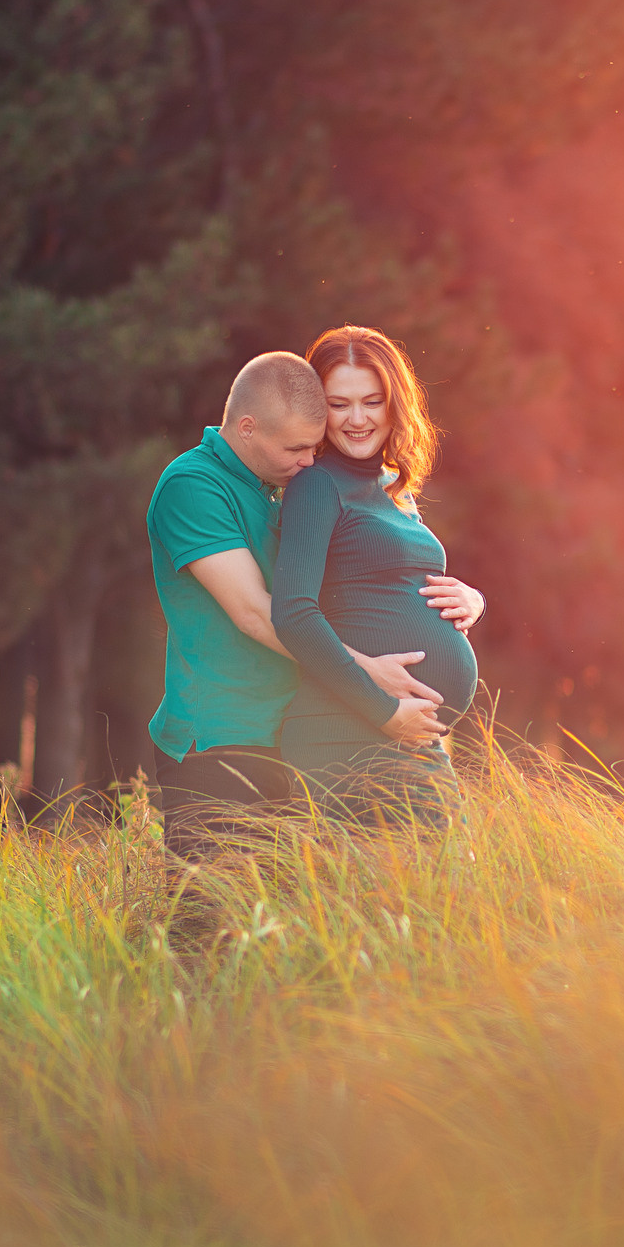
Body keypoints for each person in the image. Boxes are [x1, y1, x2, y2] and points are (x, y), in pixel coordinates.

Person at [145, 349, 467, 855]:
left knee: (294, 924)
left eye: (314, 448)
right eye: (297, 448)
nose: (309, 462)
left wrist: (463, 597)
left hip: (294, 730)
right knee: (214, 922)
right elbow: (256, 612)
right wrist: (369, 676)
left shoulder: (279, 482)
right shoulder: (194, 485)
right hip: (224, 739)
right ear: (247, 428)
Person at [269, 326, 482, 823]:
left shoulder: (392, 487)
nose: (358, 420)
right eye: (339, 404)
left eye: (372, 401)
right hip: (346, 732)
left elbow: (403, 585)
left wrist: (472, 600)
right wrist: (383, 711)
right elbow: (293, 614)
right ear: (316, 409)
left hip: (408, 734)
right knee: (407, 890)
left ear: (395, 402)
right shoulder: (318, 485)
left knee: (447, 890)